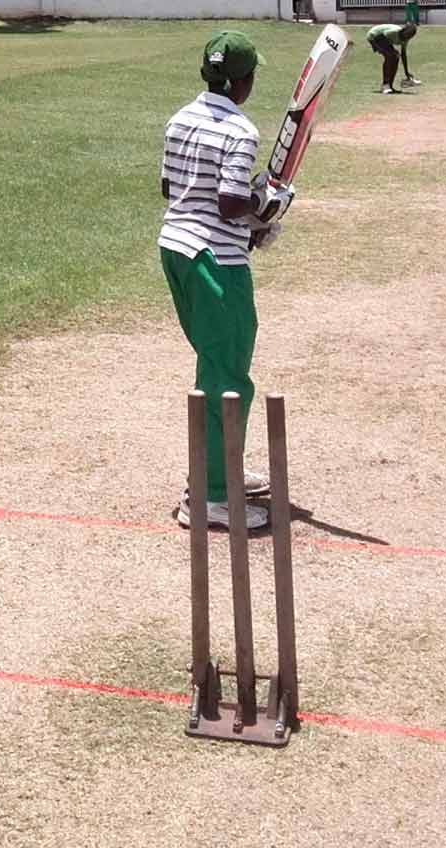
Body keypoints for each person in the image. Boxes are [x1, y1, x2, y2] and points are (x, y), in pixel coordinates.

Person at [158, 30, 276, 532]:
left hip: (176, 248)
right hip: (214, 259)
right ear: (244, 80)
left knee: (215, 365)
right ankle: (211, 498)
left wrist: (252, 214)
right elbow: (230, 203)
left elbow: (171, 186)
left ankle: (219, 470)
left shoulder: (180, 117)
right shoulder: (241, 131)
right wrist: (265, 210)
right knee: (227, 375)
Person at [366, 20, 418, 94]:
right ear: (404, 30)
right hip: (374, 36)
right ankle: (385, 85)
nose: (409, 36)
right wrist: (387, 52)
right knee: (390, 56)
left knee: (396, 57)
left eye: (411, 35)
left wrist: (406, 73)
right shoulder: (394, 32)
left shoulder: (406, 39)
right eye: (408, 34)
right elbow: (380, 36)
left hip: (383, 39)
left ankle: (390, 86)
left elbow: (403, 55)